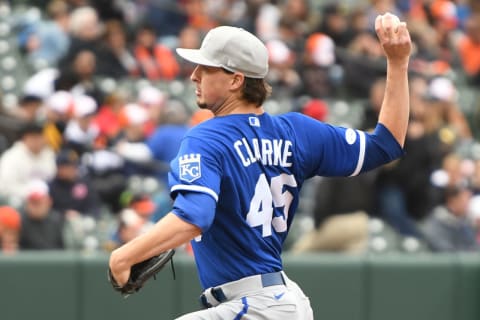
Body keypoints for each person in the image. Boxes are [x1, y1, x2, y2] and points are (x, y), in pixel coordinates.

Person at [110, 13, 412, 319]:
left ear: (236, 80)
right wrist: (398, 64)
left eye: (207, 68)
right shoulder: (296, 131)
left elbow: (194, 216)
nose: (194, 75)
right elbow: (385, 144)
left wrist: (124, 255)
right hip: (279, 301)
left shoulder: (207, 137)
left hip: (254, 305)